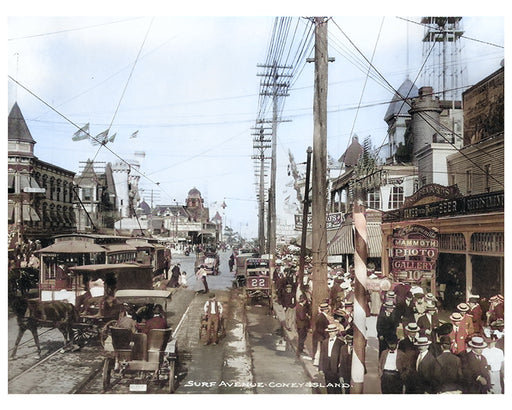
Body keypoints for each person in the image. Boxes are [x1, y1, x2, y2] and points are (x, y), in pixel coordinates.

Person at [319, 324, 344, 394]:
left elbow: (342, 357)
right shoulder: (325, 342)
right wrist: (320, 368)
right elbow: (322, 355)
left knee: (336, 385)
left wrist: (340, 367)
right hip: (326, 365)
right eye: (329, 332)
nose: (330, 333)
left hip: (335, 366)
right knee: (328, 384)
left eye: (332, 331)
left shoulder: (340, 343)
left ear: (336, 332)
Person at [398, 322, 420, 394]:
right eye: (412, 332)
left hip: (416, 371)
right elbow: (400, 357)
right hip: (407, 371)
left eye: (415, 332)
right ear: (408, 332)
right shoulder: (403, 343)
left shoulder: (418, 342)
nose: (413, 333)